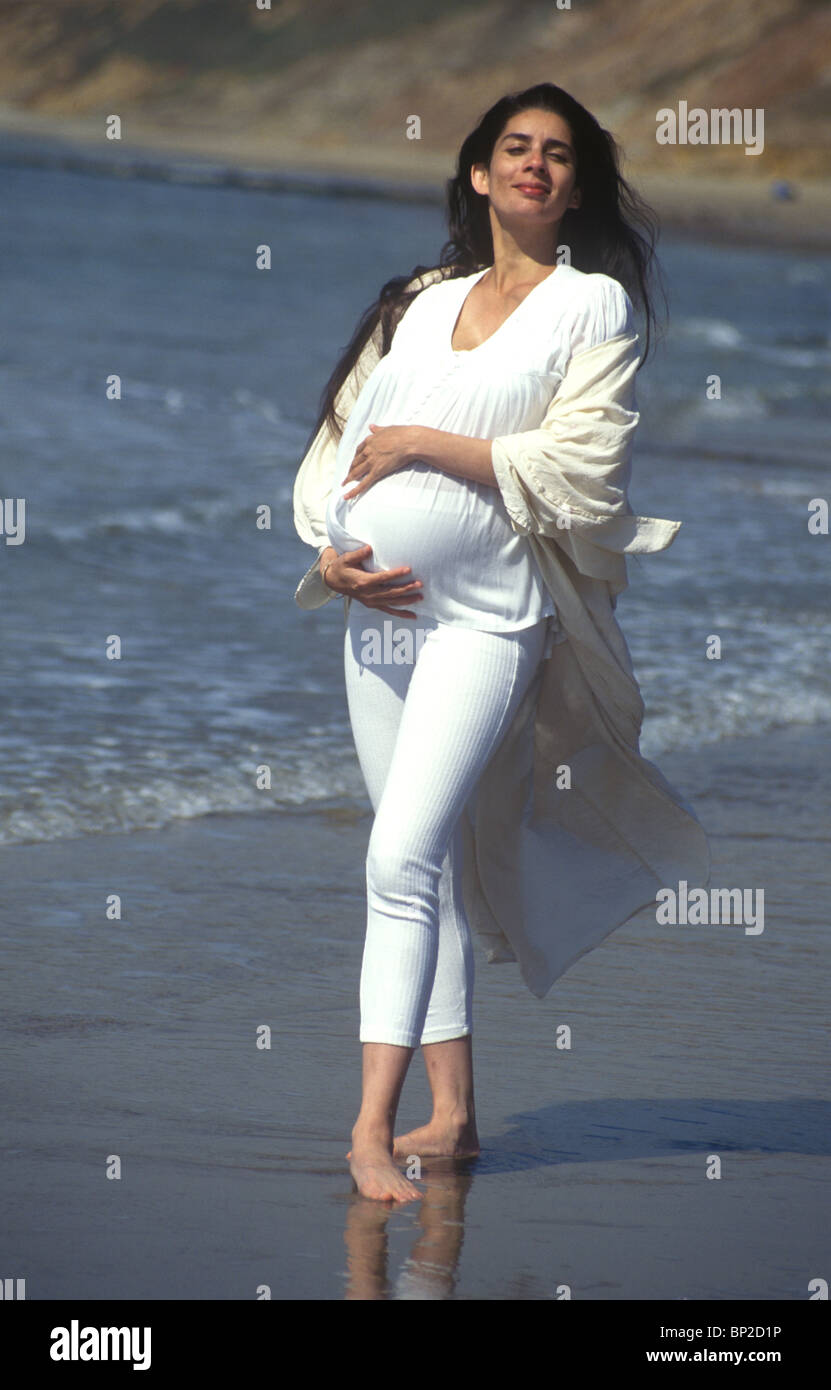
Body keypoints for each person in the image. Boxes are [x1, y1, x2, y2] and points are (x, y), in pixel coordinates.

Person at [292, 83, 710, 1204]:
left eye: (559, 153)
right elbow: (341, 446)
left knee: (396, 857)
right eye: (515, 148)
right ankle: (456, 1114)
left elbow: (582, 473)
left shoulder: (595, 307)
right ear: (477, 172)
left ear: (576, 185)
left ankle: (368, 1133)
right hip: (377, 621)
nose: (535, 164)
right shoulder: (421, 305)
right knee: (414, 864)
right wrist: (331, 557)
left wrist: (431, 442)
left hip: (487, 618)